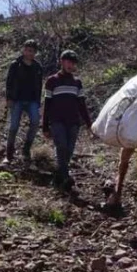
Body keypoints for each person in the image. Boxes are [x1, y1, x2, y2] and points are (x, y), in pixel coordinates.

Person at [42, 50, 93, 190]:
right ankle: (65, 176)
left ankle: (59, 175)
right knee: (62, 146)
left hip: (73, 122)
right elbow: (47, 104)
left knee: (69, 150)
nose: (70, 65)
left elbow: (82, 104)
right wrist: (45, 126)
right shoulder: (52, 81)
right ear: (61, 62)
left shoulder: (77, 83)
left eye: (73, 63)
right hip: (57, 120)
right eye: (67, 62)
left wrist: (89, 124)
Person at [4, 39, 45, 164]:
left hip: (32, 100)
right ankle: (9, 153)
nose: (29, 53)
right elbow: (9, 83)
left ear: (35, 52)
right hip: (17, 100)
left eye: (32, 51)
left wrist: (38, 102)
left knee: (35, 122)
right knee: (13, 126)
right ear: (24, 50)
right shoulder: (15, 65)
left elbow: (39, 85)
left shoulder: (38, 67)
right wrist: (8, 99)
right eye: (27, 50)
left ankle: (26, 149)